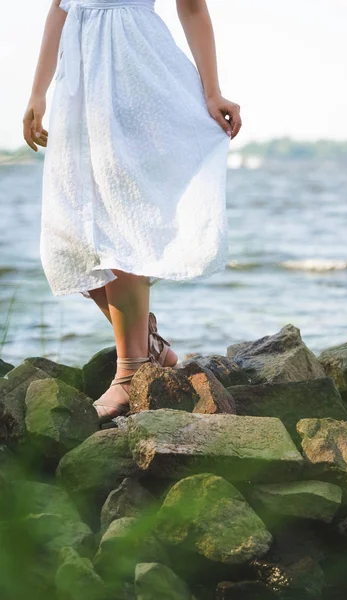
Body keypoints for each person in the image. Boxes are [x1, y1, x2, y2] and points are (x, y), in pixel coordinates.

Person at [22, 0, 242, 423]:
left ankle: (131, 372)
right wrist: (38, 92)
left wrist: (212, 92)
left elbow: (193, 8)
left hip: (133, 69)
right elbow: (58, 8)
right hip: (78, 81)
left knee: (118, 227)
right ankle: (150, 346)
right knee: (72, 238)